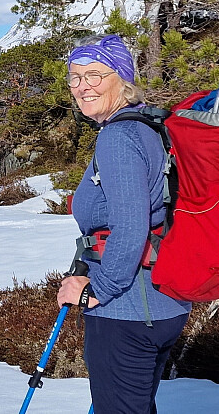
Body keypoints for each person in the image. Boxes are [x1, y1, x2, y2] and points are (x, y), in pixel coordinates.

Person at [55, 34, 191, 414]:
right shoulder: (150, 126)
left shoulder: (118, 137)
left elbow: (130, 226)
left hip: (128, 311)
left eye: (94, 75)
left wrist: (97, 289)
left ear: (122, 80)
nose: (82, 86)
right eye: (75, 77)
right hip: (164, 303)